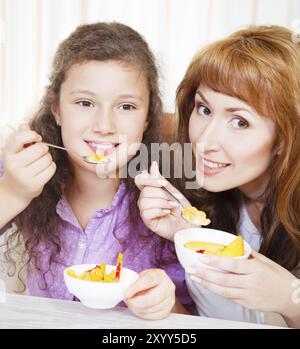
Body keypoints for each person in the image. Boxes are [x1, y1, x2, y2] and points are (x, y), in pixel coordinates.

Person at [0, 22, 195, 319]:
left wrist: (164, 304)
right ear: (56, 109)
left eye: (126, 107)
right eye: (85, 102)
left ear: (147, 118)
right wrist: (12, 192)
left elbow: (196, 321)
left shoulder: (168, 202)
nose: (105, 126)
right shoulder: (20, 170)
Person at [135, 25, 300, 327]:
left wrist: (290, 298)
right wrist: (187, 234)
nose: (205, 141)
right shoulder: (195, 186)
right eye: (204, 109)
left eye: (239, 121)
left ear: (284, 139)